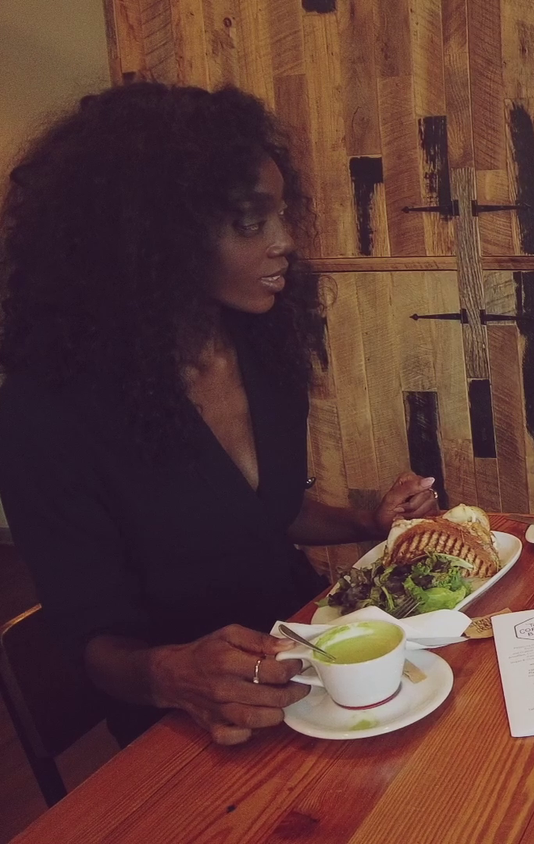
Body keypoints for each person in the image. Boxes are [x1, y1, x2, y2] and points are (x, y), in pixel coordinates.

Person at [0, 83, 440, 746]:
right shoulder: (47, 414)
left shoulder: (261, 343)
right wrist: (175, 674)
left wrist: (367, 522)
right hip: (189, 729)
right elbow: (89, 639)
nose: (285, 242)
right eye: (250, 222)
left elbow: (266, 509)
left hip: (305, 659)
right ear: (155, 236)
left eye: (283, 216)